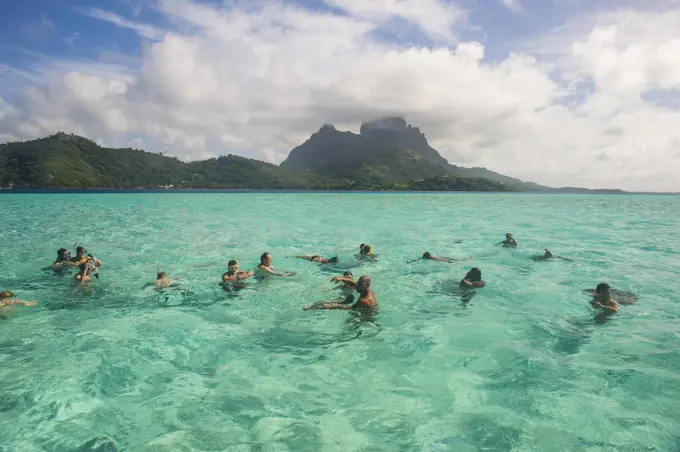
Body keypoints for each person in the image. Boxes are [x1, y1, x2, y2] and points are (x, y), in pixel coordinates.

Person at [303, 275, 377, 311]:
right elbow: (353, 283)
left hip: (364, 319)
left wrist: (330, 306)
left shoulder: (364, 301)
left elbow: (348, 308)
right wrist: (340, 278)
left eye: (358, 283)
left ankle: (314, 307)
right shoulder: (367, 290)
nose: (356, 285)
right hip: (366, 308)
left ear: (363, 285)